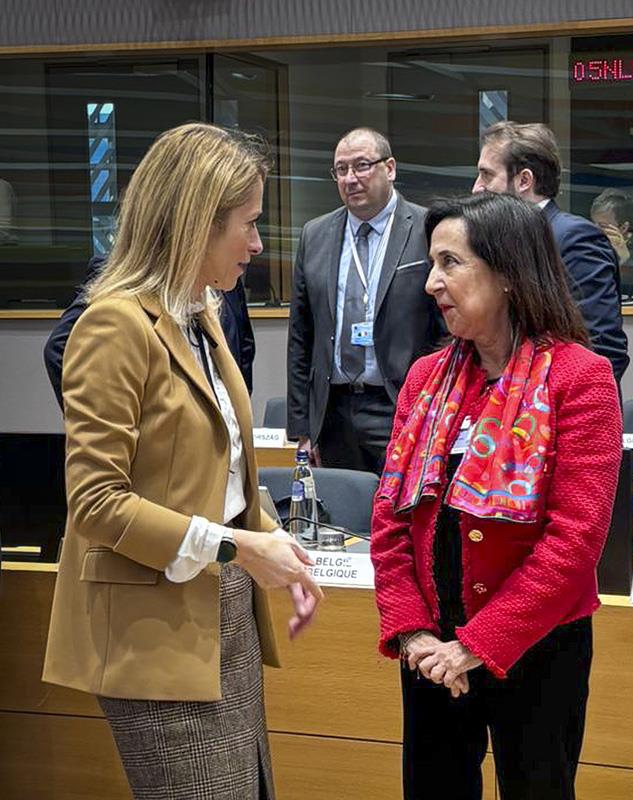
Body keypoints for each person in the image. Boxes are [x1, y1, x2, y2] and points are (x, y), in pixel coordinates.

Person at [41, 122, 323, 800]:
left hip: (223, 608)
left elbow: (219, 474)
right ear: (197, 222)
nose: (258, 244)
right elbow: (99, 503)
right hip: (153, 633)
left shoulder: (201, 314)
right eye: (249, 225)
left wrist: (273, 542)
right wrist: (240, 548)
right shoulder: (114, 323)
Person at [371, 191, 622, 800]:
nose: (432, 283)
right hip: (432, 649)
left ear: (508, 273)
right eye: (432, 264)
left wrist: (479, 645)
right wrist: (413, 633)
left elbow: (576, 540)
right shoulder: (426, 380)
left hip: (537, 646)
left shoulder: (580, 379)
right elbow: (389, 519)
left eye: (450, 263)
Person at [288, 127, 442, 473]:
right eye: (341, 170)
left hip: (400, 404)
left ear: (390, 168)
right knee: (341, 502)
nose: (350, 178)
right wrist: (303, 429)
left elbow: (445, 327)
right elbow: (301, 336)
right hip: (334, 411)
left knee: (401, 502)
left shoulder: (427, 228)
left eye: (361, 166)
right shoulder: (315, 234)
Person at [474, 121, 629, 383]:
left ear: (524, 180)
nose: (477, 187)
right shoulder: (497, 242)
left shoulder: (576, 239)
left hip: (564, 402)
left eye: (487, 175)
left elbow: (601, 346)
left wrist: (544, 399)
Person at [44, 257, 256, 408]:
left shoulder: (227, 281)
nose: (256, 245)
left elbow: (244, 344)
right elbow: (59, 346)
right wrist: (100, 411)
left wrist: (235, 409)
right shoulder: (125, 276)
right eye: (248, 223)